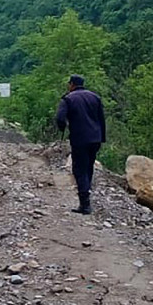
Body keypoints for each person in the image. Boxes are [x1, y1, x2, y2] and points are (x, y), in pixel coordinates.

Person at [55, 75, 106, 214]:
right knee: (89, 167)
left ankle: (85, 203)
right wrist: (102, 137)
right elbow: (101, 119)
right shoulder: (95, 97)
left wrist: (62, 127)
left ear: (72, 84)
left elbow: (60, 118)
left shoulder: (68, 99)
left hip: (79, 139)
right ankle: (87, 194)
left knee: (79, 169)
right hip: (96, 138)